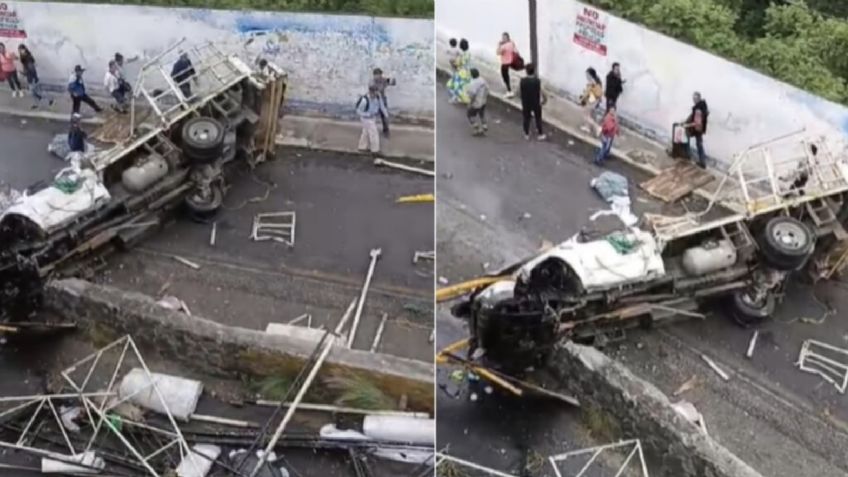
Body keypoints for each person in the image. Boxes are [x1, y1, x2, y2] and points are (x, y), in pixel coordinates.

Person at [17, 44, 53, 109]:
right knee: (34, 92)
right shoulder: (24, 57)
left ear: (25, 49)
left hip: (32, 78)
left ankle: (48, 99)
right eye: (19, 50)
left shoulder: (28, 58)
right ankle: (40, 101)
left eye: (21, 50)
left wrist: (24, 73)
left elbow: (31, 69)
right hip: (30, 77)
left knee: (36, 91)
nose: (20, 52)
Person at [356, 85, 387, 154]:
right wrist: (367, 114)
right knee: (374, 133)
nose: (375, 94)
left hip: (373, 117)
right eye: (374, 93)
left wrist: (386, 114)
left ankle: (362, 147)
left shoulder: (378, 97)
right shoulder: (364, 100)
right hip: (366, 118)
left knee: (366, 132)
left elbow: (381, 106)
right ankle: (375, 150)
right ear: (370, 92)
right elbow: (358, 111)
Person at [519, 63, 546, 141]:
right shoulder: (537, 81)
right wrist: (544, 100)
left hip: (526, 102)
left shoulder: (522, 81)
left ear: (526, 71)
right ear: (534, 71)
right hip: (535, 102)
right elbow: (542, 92)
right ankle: (540, 134)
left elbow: (518, 92)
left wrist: (522, 98)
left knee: (526, 118)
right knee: (538, 118)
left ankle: (526, 133)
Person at [683, 92, 709, 168]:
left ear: (699, 98)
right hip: (700, 129)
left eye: (695, 98)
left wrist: (687, 125)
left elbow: (697, 122)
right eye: (693, 98)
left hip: (697, 128)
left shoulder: (698, 109)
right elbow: (693, 115)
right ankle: (702, 162)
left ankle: (687, 156)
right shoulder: (702, 106)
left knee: (686, 136)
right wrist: (685, 121)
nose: (694, 100)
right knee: (699, 144)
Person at [369, 68, 396, 137]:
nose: (378, 76)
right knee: (371, 116)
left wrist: (392, 80)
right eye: (376, 75)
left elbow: (393, 83)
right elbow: (372, 88)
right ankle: (370, 130)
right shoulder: (372, 82)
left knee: (384, 116)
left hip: (382, 100)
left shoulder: (384, 80)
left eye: (379, 75)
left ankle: (386, 130)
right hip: (374, 100)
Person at [446, 39, 472, 104]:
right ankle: (463, 99)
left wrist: (453, 63)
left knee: (453, 86)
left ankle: (456, 99)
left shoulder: (461, 55)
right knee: (462, 87)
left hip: (460, 73)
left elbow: (458, 63)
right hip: (467, 72)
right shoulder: (468, 53)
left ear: (461, 46)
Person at [466, 68, 489, 136]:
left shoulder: (473, 83)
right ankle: (484, 126)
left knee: (469, 115)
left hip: (476, 103)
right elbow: (488, 89)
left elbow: (472, 94)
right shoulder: (482, 80)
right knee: (482, 114)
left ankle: (477, 128)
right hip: (483, 101)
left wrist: (470, 103)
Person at [580, 67, 604, 132]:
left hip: (592, 99)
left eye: (587, 74)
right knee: (588, 114)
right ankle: (587, 127)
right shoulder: (597, 80)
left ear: (590, 75)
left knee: (585, 115)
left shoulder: (592, 82)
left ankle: (597, 127)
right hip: (595, 99)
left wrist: (582, 98)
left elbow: (588, 91)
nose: (586, 76)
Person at [496, 32, 516, 98]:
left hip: (504, 63)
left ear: (507, 38)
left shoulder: (504, 46)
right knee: (506, 76)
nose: (503, 39)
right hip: (509, 62)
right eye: (502, 38)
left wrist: (499, 45)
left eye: (504, 38)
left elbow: (498, 53)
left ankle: (509, 91)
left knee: (505, 77)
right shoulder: (511, 43)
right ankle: (509, 90)